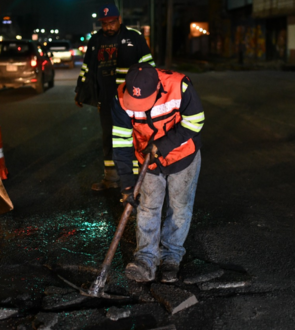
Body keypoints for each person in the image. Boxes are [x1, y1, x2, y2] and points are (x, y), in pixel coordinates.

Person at [111, 63, 205, 283]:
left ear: (157, 89)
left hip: (182, 155)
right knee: (147, 207)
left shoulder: (179, 87)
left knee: (179, 207)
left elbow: (195, 121)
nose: (139, 108)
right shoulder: (120, 98)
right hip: (148, 159)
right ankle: (146, 259)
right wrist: (127, 185)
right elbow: (121, 142)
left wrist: (163, 145)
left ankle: (172, 256)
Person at [75, 3, 156, 191]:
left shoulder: (134, 38)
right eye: (104, 24)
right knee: (109, 139)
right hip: (105, 100)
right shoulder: (95, 41)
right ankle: (111, 179)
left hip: (131, 100)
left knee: (133, 137)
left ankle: (136, 180)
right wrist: (80, 91)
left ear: (119, 20)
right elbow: (87, 68)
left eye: (112, 23)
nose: (108, 27)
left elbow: (149, 66)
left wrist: (150, 92)